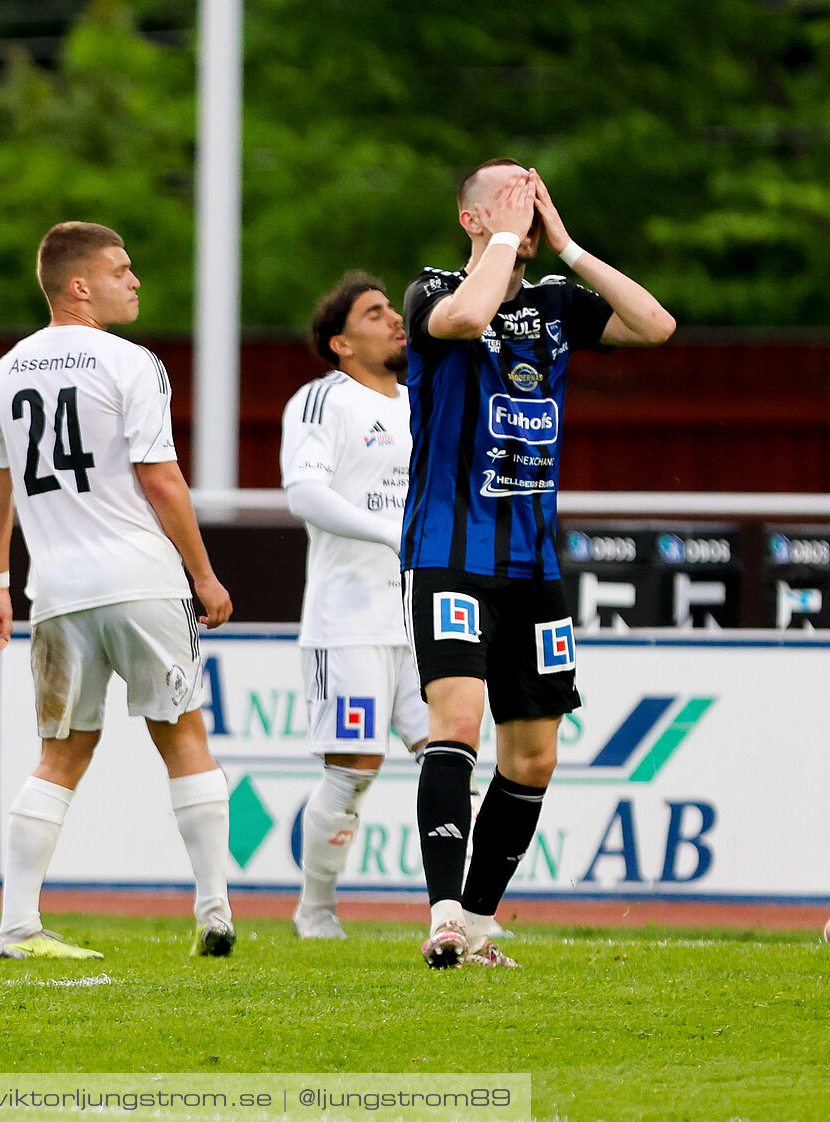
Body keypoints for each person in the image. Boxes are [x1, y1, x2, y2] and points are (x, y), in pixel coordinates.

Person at [402, 160, 674, 968]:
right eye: (506, 197)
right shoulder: (432, 289)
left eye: (535, 191)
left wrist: (569, 245)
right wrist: (510, 239)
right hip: (450, 553)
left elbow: (655, 325)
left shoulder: (556, 303)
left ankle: (479, 924)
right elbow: (465, 318)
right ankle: (443, 912)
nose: (526, 204)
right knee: (455, 722)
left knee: (534, 756)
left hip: (531, 563)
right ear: (471, 219)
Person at [0, 221, 236, 961]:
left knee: (59, 755)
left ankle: (16, 926)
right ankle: (214, 911)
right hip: (140, 579)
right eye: (122, 270)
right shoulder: (131, 362)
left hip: (56, 590)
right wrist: (205, 573)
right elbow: (160, 477)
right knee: (183, 734)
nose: (136, 281)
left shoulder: (8, 370)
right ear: (79, 285)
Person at [281, 273, 428, 939]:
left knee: (450, 757)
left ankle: (463, 912)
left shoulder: (423, 398)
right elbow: (304, 493)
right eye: (376, 313)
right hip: (350, 620)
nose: (396, 319)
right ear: (341, 342)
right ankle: (315, 911)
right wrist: (392, 534)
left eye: (393, 308)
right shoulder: (323, 401)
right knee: (354, 770)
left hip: (427, 614)